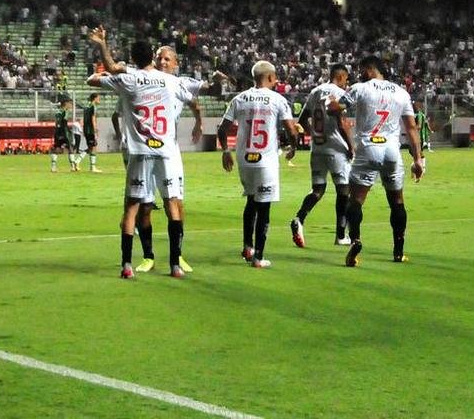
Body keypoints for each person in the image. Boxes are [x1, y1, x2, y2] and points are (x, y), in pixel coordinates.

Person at [87, 34, 200, 279]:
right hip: (166, 151)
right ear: (153, 57)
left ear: (132, 59)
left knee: (132, 208)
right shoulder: (171, 81)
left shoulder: (127, 79)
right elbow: (197, 95)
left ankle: (127, 266)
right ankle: (174, 265)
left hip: (139, 151)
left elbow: (93, 79)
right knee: (172, 204)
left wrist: (111, 62)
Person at [333, 56, 422, 266]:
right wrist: (418, 158)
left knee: (356, 200)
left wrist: (332, 104)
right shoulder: (401, 93)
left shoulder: (360, 88)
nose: (360, 73)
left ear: (371, 69)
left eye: (363, 69)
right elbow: (411, 127)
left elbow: (336, 108)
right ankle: (399, 251)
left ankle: (355, 240)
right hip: (392, 151)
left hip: (368, 148)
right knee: (397, 202)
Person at [218, 60, 301, 268]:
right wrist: (293, 147)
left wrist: (225, 151)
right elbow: (291, 130)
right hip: (265, 160)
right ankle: (258, 257)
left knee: (251, 201)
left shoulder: (240, 98)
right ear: (271, 78)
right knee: (264, 208)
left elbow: (222, 128)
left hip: (245, 160)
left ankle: (247, 246)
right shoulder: (278, 100)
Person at [290, 63, 354, 248]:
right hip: (336, 150)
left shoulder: (314, 91)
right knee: (343, 190)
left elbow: (301, 120)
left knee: (317, 190)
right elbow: (341, 122)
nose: (346, 83)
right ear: (341, 77)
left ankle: (299, 218)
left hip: (317, 149)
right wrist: (351, 146)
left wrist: (316, 135)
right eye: (346, 79)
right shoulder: (338, 93)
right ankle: (341, 235)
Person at [53, 96, 76, 172]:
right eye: (70, 103)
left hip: (57, 131)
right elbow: (65, 120)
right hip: (64, 131)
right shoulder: (66, 111)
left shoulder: (57, 112)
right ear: (66, 104)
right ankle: (73, 166)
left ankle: (53, 167)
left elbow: (57, 122)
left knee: (57, 148)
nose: (71, 105)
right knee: (70, 148)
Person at [82, 93, 101, 173]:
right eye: (98, 98)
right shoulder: (93, 106)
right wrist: (95, 129)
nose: (99, 100)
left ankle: (77, 161)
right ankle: (93, 167)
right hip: (90, 129)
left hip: (86, 129)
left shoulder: (86, 106)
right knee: (93, 147)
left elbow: (84, 119)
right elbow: (93, 119)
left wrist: (84, 129)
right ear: (95, 98)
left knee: (90, 147)